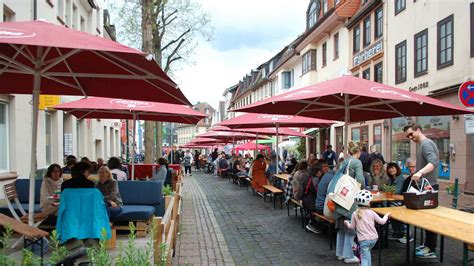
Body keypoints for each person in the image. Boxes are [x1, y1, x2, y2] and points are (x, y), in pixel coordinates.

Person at [404, 123, 440, 259]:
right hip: (426, 186)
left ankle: (430, 249)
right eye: (408, 136)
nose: (410, 137)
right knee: (426, 219)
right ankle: (427, 244)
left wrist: (419, 172)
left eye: (411, 134)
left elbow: (434, 161)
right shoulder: (422, 144)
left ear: (418, 130)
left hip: (429, 187)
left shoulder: (426, 144)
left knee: (429, 219)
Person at [329, 141, 366, 264]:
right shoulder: (357, 162)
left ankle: (340, 253)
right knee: (351, 227)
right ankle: (348, 255)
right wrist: (364, 190)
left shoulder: (344, 161)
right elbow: (360, 179)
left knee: (341, 226)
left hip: (340, 197)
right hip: (350, 200)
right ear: (358, 152)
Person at [344, 190, 390, 266]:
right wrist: (386, 216)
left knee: (364, 257)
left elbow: (351, 227)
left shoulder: (355, 214)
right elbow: (382, 222)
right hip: (374, 239)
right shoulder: (372, 212)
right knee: (367, 254)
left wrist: (346, 223)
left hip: (363, 240)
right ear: (369, 203)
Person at [386, 162, 411, 242]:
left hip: (400, 201)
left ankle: (406, 234)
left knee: (391, 209)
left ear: (397, 169)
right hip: (392, 200)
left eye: (393, 168)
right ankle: (397, 232)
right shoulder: (391, 179)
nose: (391, 170)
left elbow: (397, 191)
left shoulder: (400, 178)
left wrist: (387, 190)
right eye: (389, 168)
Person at [302, 163, 324, 234]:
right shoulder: (315, 179)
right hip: (310, 203)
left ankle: (313, 222)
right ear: (317, 172)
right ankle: (313, 224)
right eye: (321, 171)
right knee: (321, 208)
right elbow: (318, 191)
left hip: (305, 200)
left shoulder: (309, 176)